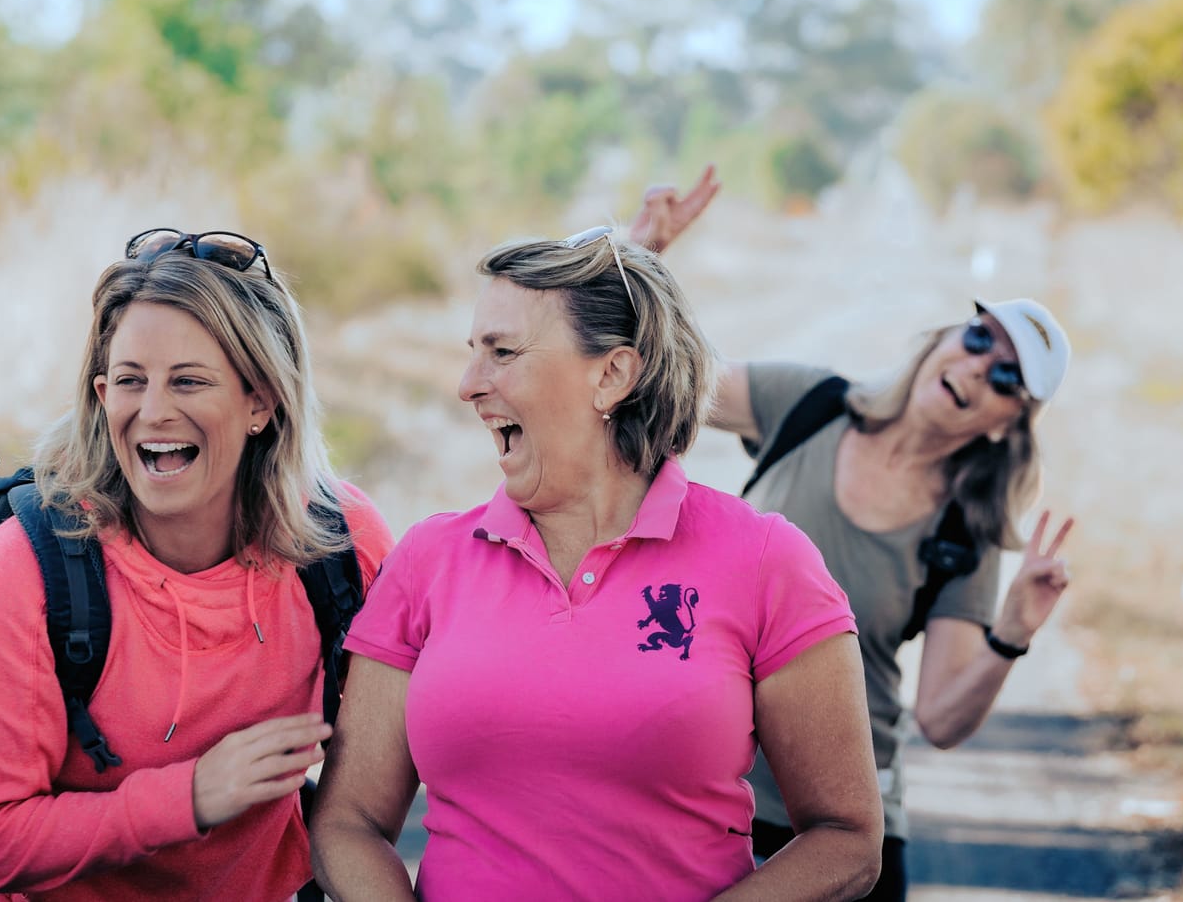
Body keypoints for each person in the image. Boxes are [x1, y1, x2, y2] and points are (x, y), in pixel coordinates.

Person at [310, 227, 884, 902]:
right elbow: (347, 822)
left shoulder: (765, 558)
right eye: (474, 353)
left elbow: (846, 837)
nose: (469, 384)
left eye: (502, 352)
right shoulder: (429, 559)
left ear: (612, 374)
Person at [631, 168, 1078, 902]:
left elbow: (939, 716)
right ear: (944, 338)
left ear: (1006, 424)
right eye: (976, 337)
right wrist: (644, 256)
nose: (976, 366)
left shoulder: (960, 534)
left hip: (838, 833)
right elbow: (658, 375)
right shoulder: (807, 403)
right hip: (704, 799)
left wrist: (1012, 632)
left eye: (1005, 378)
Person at [0, 227, 396, 902]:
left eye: (189, 381)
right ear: (102, 392)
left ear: (261, 400)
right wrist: (190, 795)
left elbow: (380, 779)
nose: (153, 411)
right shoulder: (28, 567)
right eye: (132, 381)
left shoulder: (341, 542)